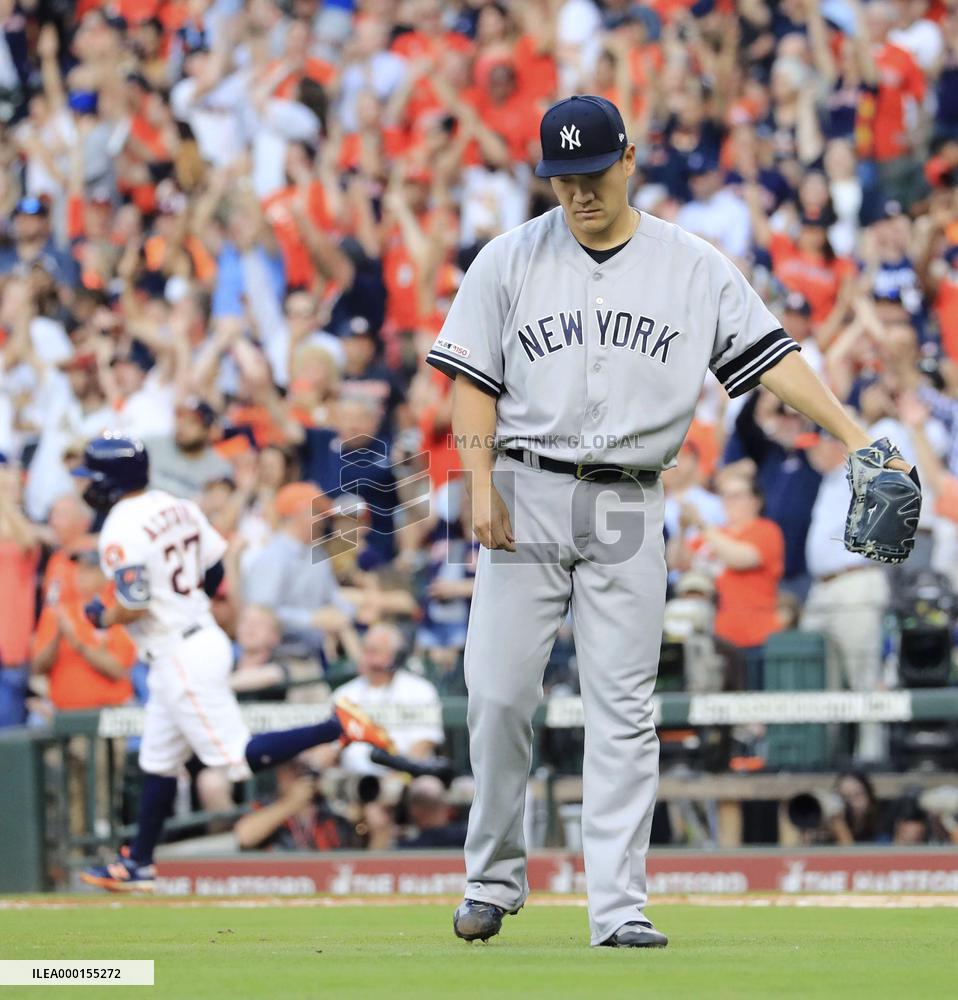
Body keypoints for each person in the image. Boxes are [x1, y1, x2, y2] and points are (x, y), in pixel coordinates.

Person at [426, 95, 916, 949]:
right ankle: (494, 878)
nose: (576, 192)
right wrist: (477, 481)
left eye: (590, 174)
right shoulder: (507, 259)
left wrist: (855, 438)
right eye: (560, 178)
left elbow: (772, 359)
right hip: (527, 486)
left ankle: (618, 908)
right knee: (499, 696)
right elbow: (472, 379)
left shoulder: (690, 265)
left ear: (628, 161)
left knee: (625, 706)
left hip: (627, 495)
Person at [73, 434, 394, 891]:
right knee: (159, 761)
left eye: (92, 478)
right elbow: (216, 567)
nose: (86, 486)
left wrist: (102, 616)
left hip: (179, 650)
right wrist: (192, 606)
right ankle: (139, 863)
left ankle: (336, 725)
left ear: (108, 482)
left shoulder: (119, 527)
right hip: (190, 642)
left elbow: (136, 601)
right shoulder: (174, 504)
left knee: (236, 757)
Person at [30, 549, 136, 712]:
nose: (81, 574)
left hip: (110, 713)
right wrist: (58, 637)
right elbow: (37, 668)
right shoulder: (57, 613)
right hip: (63, 713)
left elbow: (119, 670)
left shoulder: (116, 612)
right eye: (79, 568)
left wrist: (79, 645)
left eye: (89, 569)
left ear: (104, 575)